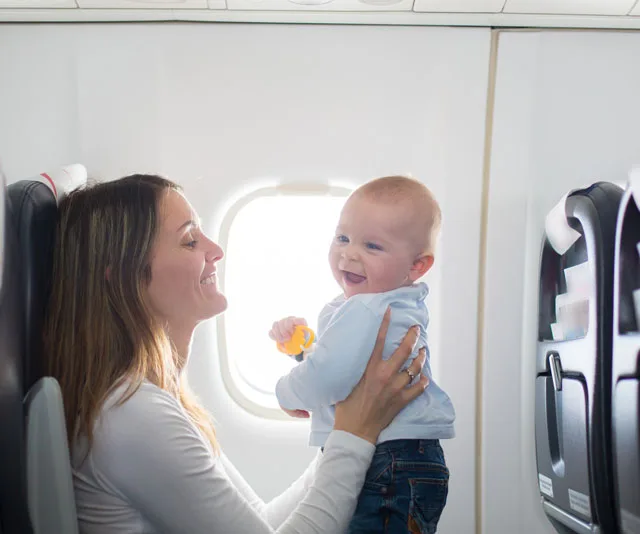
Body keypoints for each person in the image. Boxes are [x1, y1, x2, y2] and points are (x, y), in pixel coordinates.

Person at [43, 173, 429, 534]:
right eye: (190, 240)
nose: (215, 249)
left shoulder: (156, 399)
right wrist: (354, 431)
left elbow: (261, 521)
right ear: (124, 274)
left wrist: (351, 424)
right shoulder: (131, 414)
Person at [270, 175, 455, 533]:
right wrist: (303, 349)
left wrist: (286, 392)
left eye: (372, 246)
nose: (349, 253)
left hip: (386, 461)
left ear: (417, 265)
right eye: (342, 237)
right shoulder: (395, 303)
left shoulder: (366, 310)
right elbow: (349, 367)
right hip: (410, 461)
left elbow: (330, 377)